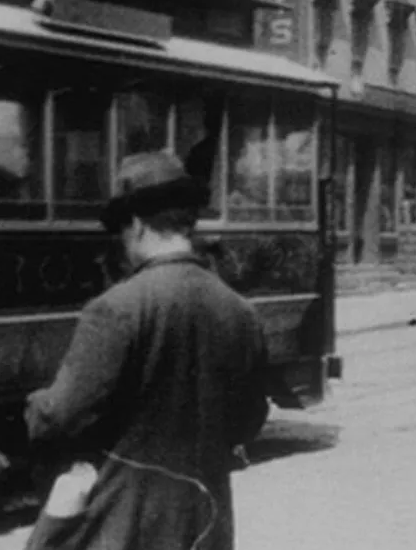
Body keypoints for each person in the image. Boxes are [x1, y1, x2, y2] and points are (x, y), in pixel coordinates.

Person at [23, 151, 270, 550]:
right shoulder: (240, 312)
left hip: (123, 526)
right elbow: (248, 421)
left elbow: (61, 417)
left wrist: (36, 406)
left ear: (136, 226)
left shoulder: (116, 309)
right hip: (205, 527)